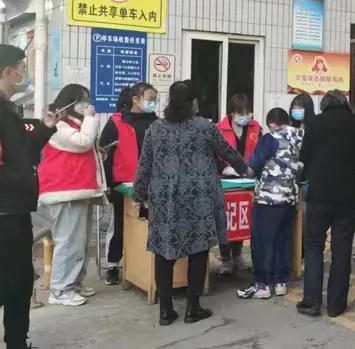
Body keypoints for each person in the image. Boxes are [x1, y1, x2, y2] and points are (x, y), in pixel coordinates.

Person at [134, 80, 251, 326]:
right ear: (194, 103)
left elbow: (144, 164)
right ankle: (192, 308)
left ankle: (165, 310)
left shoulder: (156, 129)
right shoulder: (204, 127)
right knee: (198, 251)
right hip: (199, 198)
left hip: (165, 199)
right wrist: (245, 169)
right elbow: (227, 152)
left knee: (164, 252)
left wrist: (139, 194)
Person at [297, 91, 355, 317]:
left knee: (313, 246)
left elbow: (304, 156)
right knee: (342, 249)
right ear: (345, 104)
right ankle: (336, 305)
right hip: (348, 196)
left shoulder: (315, 123)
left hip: (319, 195)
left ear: (324, 105)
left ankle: (311, 301)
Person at [36, 84, 106, 307]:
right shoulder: (57, 125)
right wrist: (91, 118)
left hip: (78, 190)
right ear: (70, 102)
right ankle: (59, 289)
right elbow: (83, 143)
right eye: (82, 99)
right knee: (68, 241)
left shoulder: (74, 123)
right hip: (64, 192)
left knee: (79, 241)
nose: (87, 104)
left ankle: (73, 282)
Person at [0, 45, 43, 348]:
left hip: (15, 210)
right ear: (7, 71)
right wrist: (24, 180)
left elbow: (22, 154)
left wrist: (45, 130)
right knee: (15, 282)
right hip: (6, 214)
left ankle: (17, 340)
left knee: (19, 281)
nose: (24, 76)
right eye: (22, 69)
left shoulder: (10, 110)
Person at [237, 108, 304, 300]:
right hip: (289, 198)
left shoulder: (270, 138)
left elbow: (252, 166)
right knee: (283, 239)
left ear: (272, 124)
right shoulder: (300, 137)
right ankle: (280, 282)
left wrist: (240, 169)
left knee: (263, 241)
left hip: (268, 198)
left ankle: (262, 284)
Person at [99, 82, 159, 285]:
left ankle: (142, 267)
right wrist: (107, 185)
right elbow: (105, 155)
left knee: (147, 224)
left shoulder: (157, 123)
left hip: (151, 182)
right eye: (150, 99)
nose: (153, 103)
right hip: (122, 183)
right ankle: (113, 265)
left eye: (155, 100)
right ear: (136, 99)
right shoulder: (116, 121)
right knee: (119, 225)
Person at [216, 93, 261, 275]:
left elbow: (260, 151)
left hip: (247, 180)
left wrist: (252, 168)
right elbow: (213, 155)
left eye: (247, 112)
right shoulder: (219, 129)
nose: (245, 117)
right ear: (232, 113)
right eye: (241, 113)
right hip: (226, 180)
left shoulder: (255, 128)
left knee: (242, 218)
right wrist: (225, 168)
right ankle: (225, 258)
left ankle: (238, 255)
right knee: (226, 220)